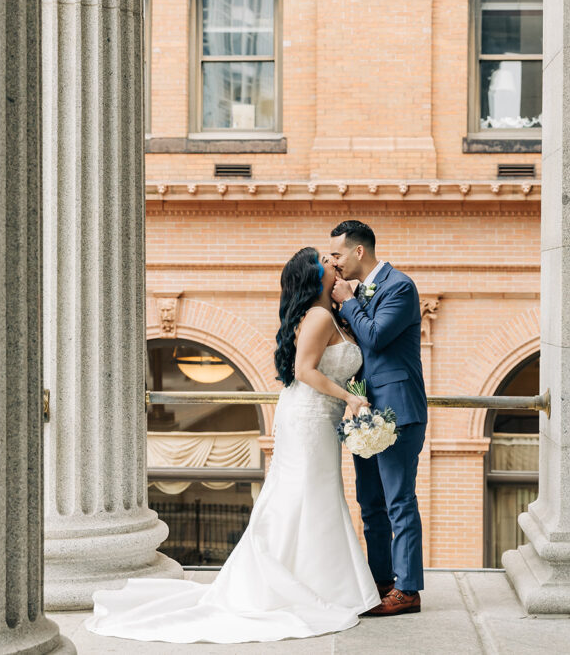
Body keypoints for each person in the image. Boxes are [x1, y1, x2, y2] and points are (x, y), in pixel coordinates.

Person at [84, 247, 379, 643]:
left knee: (317, 495)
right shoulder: (320, 316)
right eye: (326, 261)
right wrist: (351, 399)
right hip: (309, 416)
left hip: (320, 418)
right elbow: (304, 371)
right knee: (305, 493)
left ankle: (319, 581)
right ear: (313, 276)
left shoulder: (334, 314)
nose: (334, 263)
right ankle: (302, 584)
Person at [329, 220, 427, 616]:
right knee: (369, 502)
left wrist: (349, 301)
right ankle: (381, 580)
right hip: (363, 411)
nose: (334, 261)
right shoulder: (355, 292)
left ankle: (408, 590)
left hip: (399, 410)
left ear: (358, 252)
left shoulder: (400, 287)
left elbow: (375, 337)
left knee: (399, 501)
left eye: (337, 254)